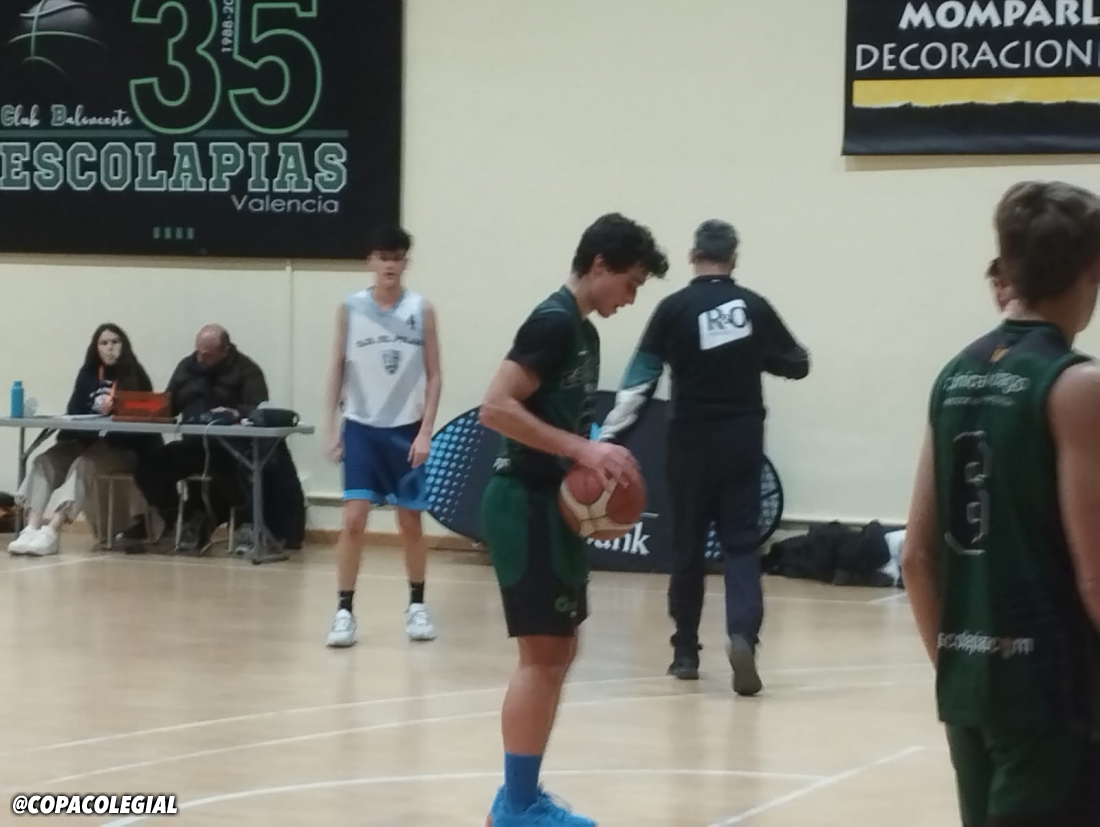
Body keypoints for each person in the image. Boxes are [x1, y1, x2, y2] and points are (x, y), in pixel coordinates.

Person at [901, 180, 1100, 827]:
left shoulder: (953, 376)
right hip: (1053, 693)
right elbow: (1095, 576)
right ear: (1092, 267)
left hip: (969, 689)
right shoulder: (1076, 384)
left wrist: (958, 671)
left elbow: (915, 557)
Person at [478, 213, 668, 826]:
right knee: (541, 655)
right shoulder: (554, 322)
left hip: (548, 503)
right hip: (523, 501)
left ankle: (523, 797)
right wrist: (582, 450)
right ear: (599, 266)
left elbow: (559, 421)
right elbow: (494, 407)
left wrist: (598, 465)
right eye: (631, 283)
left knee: (558, 651)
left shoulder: (584, 333)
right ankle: (516, 806)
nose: (632, 298)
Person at [597, 219, 809, 695]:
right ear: (733, 258)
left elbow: (639, 380)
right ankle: (742, 635)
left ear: (694, 257)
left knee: (687, 545)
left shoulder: (673, 308)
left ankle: (685, 653)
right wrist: (757, 355)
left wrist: (607, 437)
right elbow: (798, 363)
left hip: (688, 441)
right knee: (740, 545)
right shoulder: (753, 306)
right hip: (742, 438)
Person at [322, 225, 442, 647]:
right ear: (370, 261)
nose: (390, 264)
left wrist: (426, 431)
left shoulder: (421, 309)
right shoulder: (351, 308)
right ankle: (344, 611)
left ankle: (417, 605)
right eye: (383, 257)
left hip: (406, 430)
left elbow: (434, 374)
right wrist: (330, 426)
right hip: (361, 428)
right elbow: (337, 367)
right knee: (353, 520)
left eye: (397, 257)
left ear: (406, 262)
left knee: (409, 522)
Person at [9, 323, 160, 555]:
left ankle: (52, 530)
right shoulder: (88, 374)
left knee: (83, 464)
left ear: (124, 345)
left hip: (122, 448)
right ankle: (31, 527)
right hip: (84, 441)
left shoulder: (135, 376)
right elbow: (74, 412)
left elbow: (141, 422)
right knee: (44, 461)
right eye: (104, 343)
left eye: (115, 342)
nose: (110, 348)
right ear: (96, 348)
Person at [115, 324, 269, 551]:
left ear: (225, 351)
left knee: (233, 473)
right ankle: (184, 518)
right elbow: (169, 403)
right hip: (193, 445)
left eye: (207, 355)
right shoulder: (186, 367)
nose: (199, 358)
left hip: (229, 447)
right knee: (149, 470)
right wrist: (151, 410)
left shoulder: (247, 370)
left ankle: (245, 524)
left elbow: (259, 409)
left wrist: (236, 412)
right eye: (197, 352)